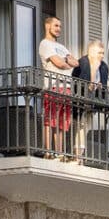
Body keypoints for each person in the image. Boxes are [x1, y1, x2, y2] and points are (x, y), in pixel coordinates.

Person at [37, 15, 77, 159]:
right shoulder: (45, 44)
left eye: (60, 26)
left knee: (62, 123)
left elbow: (75, 63)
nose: (59, 29)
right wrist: (66, 61)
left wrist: (64, 60)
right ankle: (48, 152)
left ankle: (59, 153)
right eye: (56, 25)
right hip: (53, 86)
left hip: (66, 88)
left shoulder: (62, 47)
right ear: (47, 26)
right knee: (50, 120)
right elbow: (59, 63)